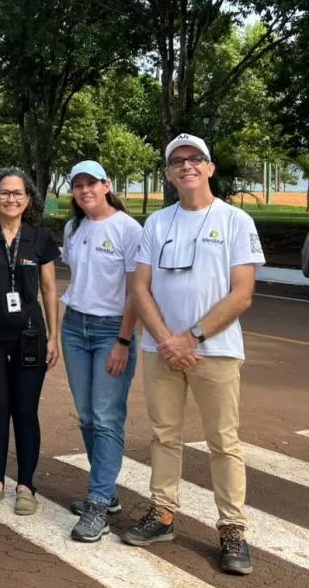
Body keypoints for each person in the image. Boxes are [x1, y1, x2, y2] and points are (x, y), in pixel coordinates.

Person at [124, 133, 263, 576]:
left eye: (195, 159)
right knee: (164, 434)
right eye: (177, 161)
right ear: (168, 173)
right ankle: (162, 513)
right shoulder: (157, 224)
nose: (186, 166)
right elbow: (139, 288)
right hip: (160, 349)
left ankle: (232, 530)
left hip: (216, 351)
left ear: (209, 167)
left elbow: (242, 294)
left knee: (224, 441)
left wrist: (193, 338)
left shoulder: (236, 220)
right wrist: (168, 339)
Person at [0, 167, 60, 516]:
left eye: (18, 193)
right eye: (5, 193)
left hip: (30, 338)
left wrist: (54, 337)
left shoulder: (40, 239)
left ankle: (26, 485)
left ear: (28, 199)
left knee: (25, 410)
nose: (11, 199)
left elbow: (49, 290)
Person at [58, 160, 143, 541]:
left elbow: (135, 293)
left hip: (112, 330)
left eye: (92, 183)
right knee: (87, 416)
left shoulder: (129, 230)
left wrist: (123, 342)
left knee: (107, 417)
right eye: (78, 185)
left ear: (107, 185)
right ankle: (105, 493)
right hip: (75, 326)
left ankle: (97, 502)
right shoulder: (73, 228)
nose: (85, 190)